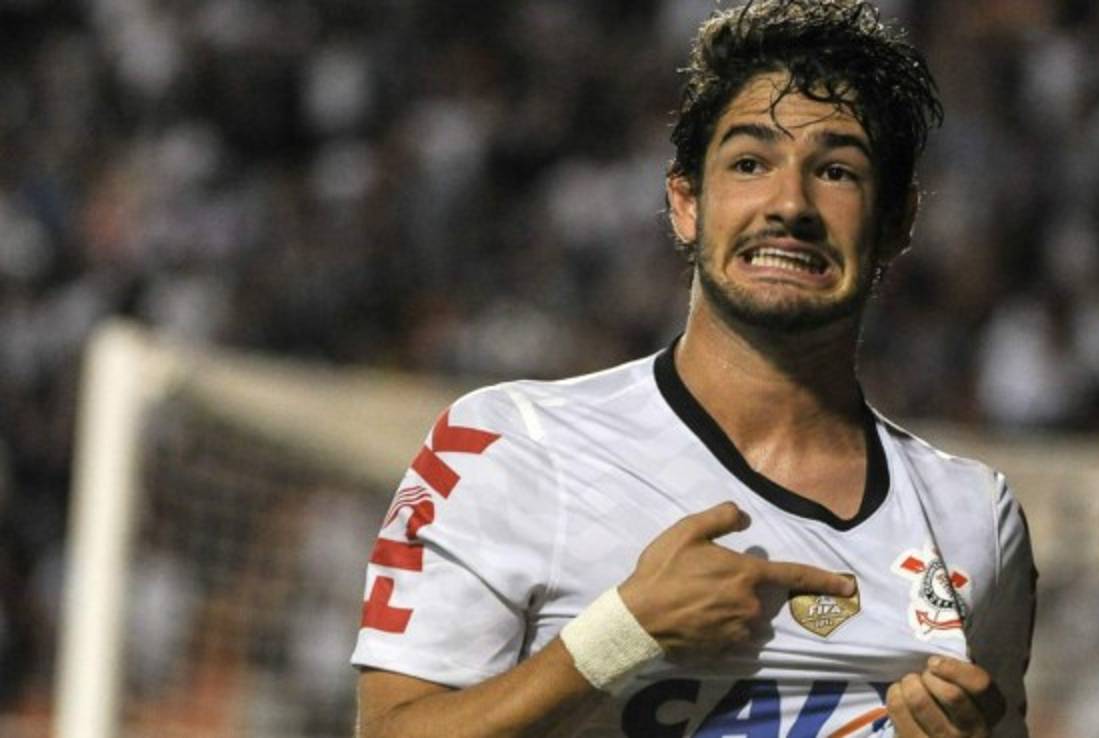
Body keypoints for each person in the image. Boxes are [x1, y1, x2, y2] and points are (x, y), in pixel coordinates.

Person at [351, 1, 1036, 736]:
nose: (790, 204)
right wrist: (618, 636)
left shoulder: (974, 518)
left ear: (897, 222)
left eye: (837, 171)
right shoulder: (510, 445)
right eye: (750, 164)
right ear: (686, 202)